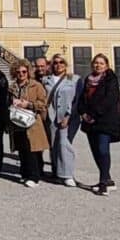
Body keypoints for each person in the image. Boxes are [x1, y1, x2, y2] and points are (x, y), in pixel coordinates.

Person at [74, 53, 120, 196]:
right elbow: (82, 99)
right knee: (95, 151)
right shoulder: (88, 79)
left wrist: (93, 115)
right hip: (90, 122)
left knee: (103, 150)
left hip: (105, 120)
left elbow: (110, 99)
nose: (98, 65)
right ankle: (107, 179)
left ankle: (103, 183)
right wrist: (83, 113)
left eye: (101, 63)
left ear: (106, 65)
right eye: (96, 63)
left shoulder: (111, 79)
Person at [9, 60, 49, 187]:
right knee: (21, 148)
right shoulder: (12, 86)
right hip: (17, 121)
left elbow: (43, 104)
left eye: (24, 72)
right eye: (18, 72)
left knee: (32, 149)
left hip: (32, 122)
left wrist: (28, 104)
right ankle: (25, 173)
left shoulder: (36, 85)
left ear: (28, 72)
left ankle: (34, 176)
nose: (21, 74)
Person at [46, 55, 79, 187]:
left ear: (66, 64)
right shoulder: (46, 80)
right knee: (53, 145)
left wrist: (68, 116)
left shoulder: (74, 79)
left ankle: (67, 175)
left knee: (64, 144)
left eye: (61, 62)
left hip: (67, 117)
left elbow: (78, 99)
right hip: (51, 116)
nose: (58, 65)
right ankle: (56, 173)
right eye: (55, 62)